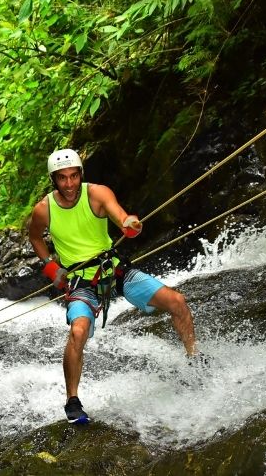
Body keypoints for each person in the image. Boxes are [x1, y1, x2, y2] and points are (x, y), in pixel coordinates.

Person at [28, 149, 198, 424]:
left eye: (73, 176)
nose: (69, 184)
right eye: (62, 179)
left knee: (176, 301)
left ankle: (195, 361)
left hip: (114, 269)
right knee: (78, 330)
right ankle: (72, 401)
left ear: (80, 174)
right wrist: (50, 266)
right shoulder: (44, 210)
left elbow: (120, 216)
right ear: (54, 180)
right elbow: (35, 237)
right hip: (81, 280)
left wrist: (129, 224)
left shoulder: (97, 194)